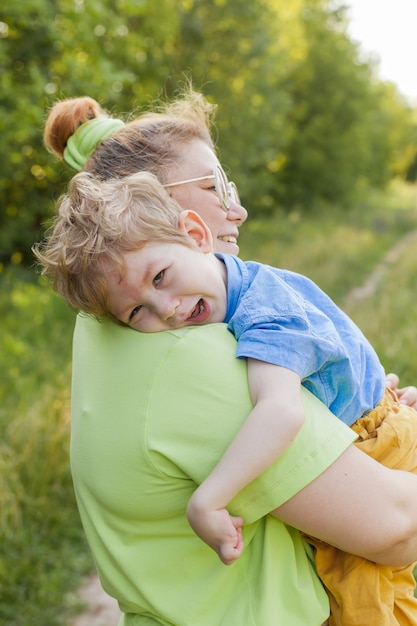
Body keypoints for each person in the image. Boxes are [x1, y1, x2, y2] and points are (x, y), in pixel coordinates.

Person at [36, 91, 417, 626]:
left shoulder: (105, 328)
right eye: (214, 187)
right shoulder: (194, 349)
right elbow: (396, 528)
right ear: (169, 215)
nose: (237, 208)